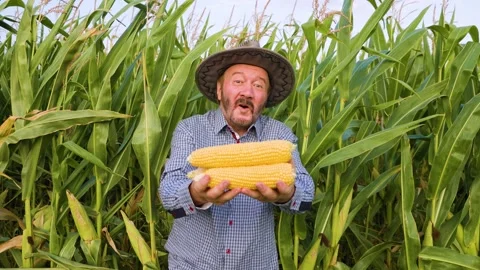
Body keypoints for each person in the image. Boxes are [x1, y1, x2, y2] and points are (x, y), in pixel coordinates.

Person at [159, 40, 315, 269]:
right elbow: (168, 191)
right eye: (238, 81)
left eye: (259, 85)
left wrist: (286, 195)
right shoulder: (190, 130)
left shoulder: (280, 135)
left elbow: (307, 192)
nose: (248, 92)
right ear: (220, 91)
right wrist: (196, 194)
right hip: (192, 263)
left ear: (266, 97)